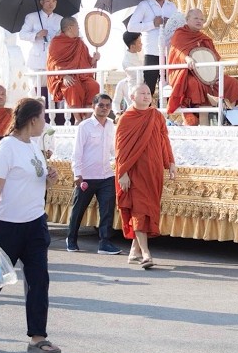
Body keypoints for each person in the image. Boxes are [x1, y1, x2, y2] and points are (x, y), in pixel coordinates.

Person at [0, 97, 63, 353]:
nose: (45, 122)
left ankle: (38, 337)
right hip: (6, 224)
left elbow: (36, 182)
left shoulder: (33, 146)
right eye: (43, 117)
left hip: (35, 223)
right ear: (32, 120)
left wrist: (50, 178)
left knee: (38, 281)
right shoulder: (6, 147)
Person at [116, 83, 176, 268]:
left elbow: (164, 140)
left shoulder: (156, 115)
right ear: (132, 97)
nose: (146, 96)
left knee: (148, 209)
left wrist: (170, 163)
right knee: (139, 209)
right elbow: (120, 148)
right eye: (142, 93)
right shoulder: (126, 118)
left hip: (153, 170)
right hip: (135, 172)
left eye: (148, 93)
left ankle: (134, 252)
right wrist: (123, 173)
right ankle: (146, 253)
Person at [165, 8, 238, 125]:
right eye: (196, 18)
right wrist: (187, 59)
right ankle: (203, 121)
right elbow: (177, 52)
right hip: (186, 72)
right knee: (194, 84)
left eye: (201, 19)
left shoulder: (203, 37)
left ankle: (227, 117)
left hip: (207, 74)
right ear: (187, 20)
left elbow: (214, 56)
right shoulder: (180, 34)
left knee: (231, 82)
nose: (199, 21)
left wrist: (216, 72)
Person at [65, 94, 121, 255]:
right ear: (93, 106)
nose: (104, 108)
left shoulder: (111, 125)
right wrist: (77, 174)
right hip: (87, 176)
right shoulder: (85, 126)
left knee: (107, 211)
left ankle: (104, 243)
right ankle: (71, 239)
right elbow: (77, 152)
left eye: (107, 106)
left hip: (106, 175)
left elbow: (113, 149)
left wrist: (122, 160)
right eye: (101, 105)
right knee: (78, 210)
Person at [127, 0, 180, 97]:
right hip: (152, 52)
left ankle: (167, 109)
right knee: (148, 88)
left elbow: (179, 26)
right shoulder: (144, 5)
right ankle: (147, 109)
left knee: (170, 88)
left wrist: (170, 23)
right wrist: (152, 24)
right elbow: (131, 27)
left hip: (169, 52)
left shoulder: (171, 6)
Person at [19, 0, 65, 124]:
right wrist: (37, 34)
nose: (51, 4)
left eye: (54, 1)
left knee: (55, 92)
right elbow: (22, 34)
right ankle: (39, 120)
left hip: (55, 62)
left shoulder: (60, 19)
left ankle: (56, 121)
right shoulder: (32, 17)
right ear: (41, 2)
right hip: (37, 61)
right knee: (38, 93)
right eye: (48, 0)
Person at [47, 16, 101, 123]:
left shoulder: (80, 42)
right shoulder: (56, 42)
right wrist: (64, 75)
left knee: (94, 85)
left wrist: (94, 59)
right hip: (63, 77)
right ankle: (78, 119)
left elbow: (86, 61)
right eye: (77, 26)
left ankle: (87, 119)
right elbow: (53, 63)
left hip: (82, 76)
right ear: (70, 28)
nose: (78, 29)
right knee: (72, 86)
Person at [112, 32, 145, 114]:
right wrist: (117, 114)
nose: (142, 44)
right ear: (132, 46)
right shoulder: (126, 62)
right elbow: (116, 102)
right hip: (135, 96)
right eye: (139, 42)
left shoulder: (142, 53)